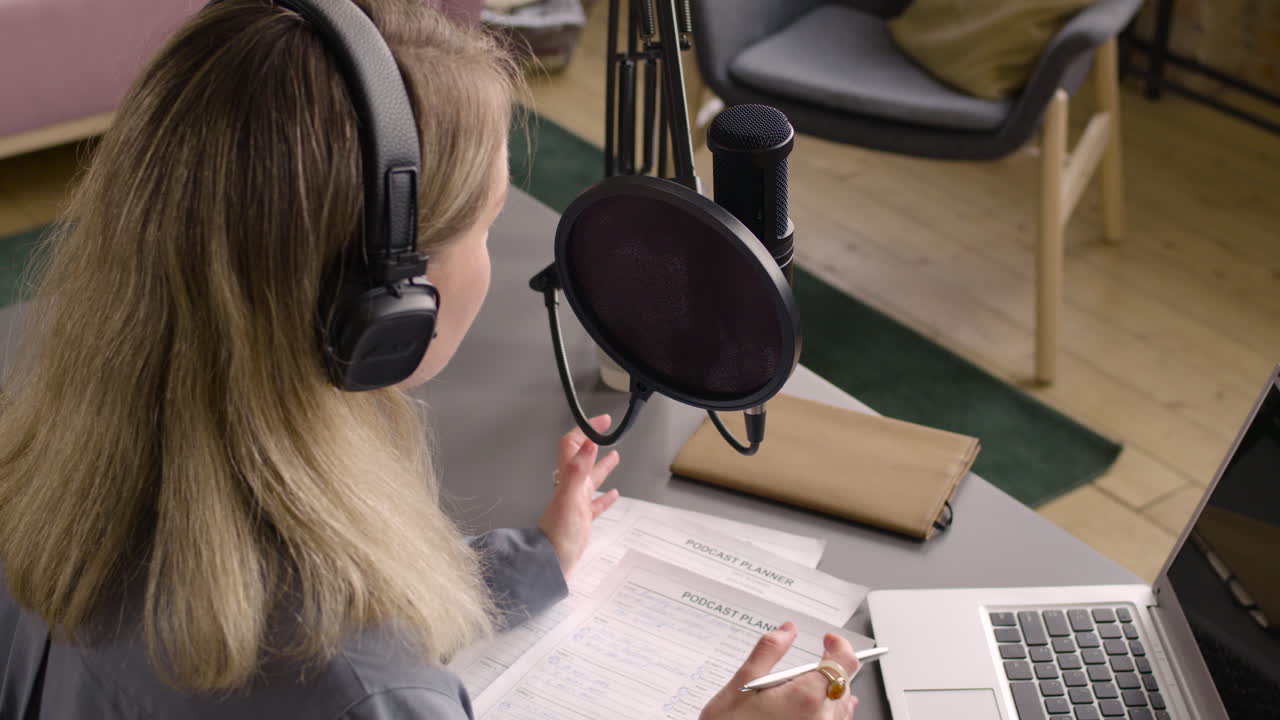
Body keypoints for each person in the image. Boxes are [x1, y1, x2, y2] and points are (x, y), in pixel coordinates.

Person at [0, 1, 861, 718]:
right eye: (487, 223)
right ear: (389, 309)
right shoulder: (365, 694)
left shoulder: (44, 474)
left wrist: (527, 563)